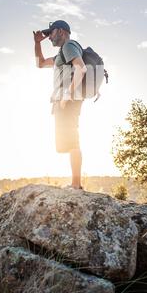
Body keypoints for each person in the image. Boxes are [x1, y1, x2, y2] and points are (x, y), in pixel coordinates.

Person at [33, 20, 87, 189]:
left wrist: (67, 94)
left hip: (68, 101)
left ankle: (76, 184)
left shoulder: (69, 46)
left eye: (51, 32)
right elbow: (40, 64)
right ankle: (75, 183)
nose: (49, 37)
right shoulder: (61, 55)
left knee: (73, 141)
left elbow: (81, 68)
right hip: (63, 101)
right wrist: (37, 44)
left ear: (62, 32)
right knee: (70, 142)